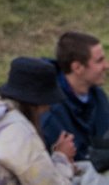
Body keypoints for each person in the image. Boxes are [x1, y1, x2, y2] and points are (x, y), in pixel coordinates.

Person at [42, 32, 109, 166]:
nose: (106, 66)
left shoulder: (98, 97)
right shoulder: (50, 113)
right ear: (77, 68)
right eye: (99, 61)